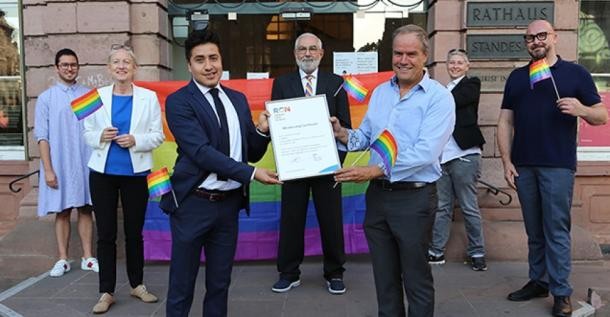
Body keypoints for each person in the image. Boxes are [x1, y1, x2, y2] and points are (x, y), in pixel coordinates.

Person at [332, 24, 455, 317]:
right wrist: (342, 134)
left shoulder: (438, 98)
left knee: (416, 278)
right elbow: (366, 137)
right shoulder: (380, 93)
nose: (403, 60)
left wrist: (375, 170)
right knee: (384, 279)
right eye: (398, 53)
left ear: (425, 56)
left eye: (411, 54)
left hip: (415, 199)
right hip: (378, 198)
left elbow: (426, 153)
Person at [160, 30, 281, 317]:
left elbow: (248, 152)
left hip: (228, 206)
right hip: (193, 204)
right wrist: (251, 174)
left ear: (221, 60)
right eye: (200, 60)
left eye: (213, 58)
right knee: (182, 284)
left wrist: (262, 131)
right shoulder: (179, 102)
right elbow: (201, 152)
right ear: (189, 66)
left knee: (219, 283)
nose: (209, 65)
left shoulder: (237, 99)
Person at [498, 19, 607, 317]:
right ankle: (539, 281)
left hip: (557, 166)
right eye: (530, 38)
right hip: (523, 166)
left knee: (556, 231)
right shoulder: (518, 77)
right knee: (534, 231)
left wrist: (580, 109)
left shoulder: (576, 74)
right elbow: (506, 122)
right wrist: (507, 161)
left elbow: (601, 116)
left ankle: (561, 292)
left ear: (555, 37)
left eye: (541, 35)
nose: (536, 41)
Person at [84, 44, 164, 314]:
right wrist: (99, 136)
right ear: (109, 68)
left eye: (126, 62)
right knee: (105, 234)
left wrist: (136, 140)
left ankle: (137, 284)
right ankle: (105, 291)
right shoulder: (96, 96)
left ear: (134, 68)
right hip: (102, 173)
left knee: (134, 232)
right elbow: (86, 133)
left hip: (135, 173)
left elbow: (158, 136)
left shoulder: (149, 97)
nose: (121, 66)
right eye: (116, 62)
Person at [270, 32, 351, 294]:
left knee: (331, 220)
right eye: (302, 49)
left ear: (321, 53)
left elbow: (345, 127)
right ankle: (289, 272)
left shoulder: (336, 83)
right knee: (291, 220)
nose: (307, 53)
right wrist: (285, 161)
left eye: (312, 49)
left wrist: (336, 163)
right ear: (295, 54)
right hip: (294, 167)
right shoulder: (282, 84)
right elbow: (277, 127)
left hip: (327, 168)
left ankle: (335, 272)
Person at [34, 48, 98, 278]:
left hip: (85, 161)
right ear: (57, 67)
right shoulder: (46, 98)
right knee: (61, 211)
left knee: (85, 208)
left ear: (78, 67)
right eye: (65, 65)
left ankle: (88, 257)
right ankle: (62, 258)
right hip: (59, 162)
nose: (70, 68)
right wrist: (48, 169)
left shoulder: (88, 95)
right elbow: (42, 136)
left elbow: (97, 129)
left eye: (73, 64)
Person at [428, 49, 487, 271]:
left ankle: (478, 252)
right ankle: (436, 251)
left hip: (465, 155)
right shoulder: (443, 90)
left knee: (468, 206)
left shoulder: (471, 85)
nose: (455, 66)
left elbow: (455, 101)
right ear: (446, 65)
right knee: (443, 206)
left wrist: (431, 94)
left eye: (459, 62)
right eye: (451, 62)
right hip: (443, 157)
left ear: (467, 65)